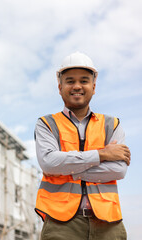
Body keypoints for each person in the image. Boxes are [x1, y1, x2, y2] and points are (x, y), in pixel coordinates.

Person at [34, 51, 131, 240]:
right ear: (60, 86)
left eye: (84, 81)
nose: (77, 86)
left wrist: (69, 169)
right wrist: (102, 154)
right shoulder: (46, 124)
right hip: (61, 224)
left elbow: (118, 170)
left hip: (108, 223)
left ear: (93, 87)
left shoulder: (112, 124)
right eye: (70, 81)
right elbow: (49, 163)